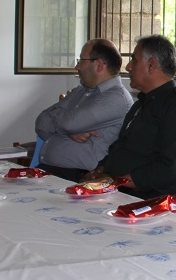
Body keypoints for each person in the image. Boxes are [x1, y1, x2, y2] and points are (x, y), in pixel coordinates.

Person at [82, 35, 176, 199]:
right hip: (116, 190)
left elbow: (168, 170)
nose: (128, 67)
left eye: (134, 60)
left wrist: (113, 181)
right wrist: (99, 171)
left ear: (151, 64)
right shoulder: (142, 104)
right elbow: (120, 148)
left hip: (145, 200)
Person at [34, 39, 133, 182]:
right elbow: (40, 122)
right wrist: (67, 131)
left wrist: (61, 120)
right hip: (50, 170)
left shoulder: (116, 97)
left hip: (79, 177)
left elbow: (69, 124)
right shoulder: (80, 91)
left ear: (99, 64)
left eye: (81, 60)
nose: (77, 66)